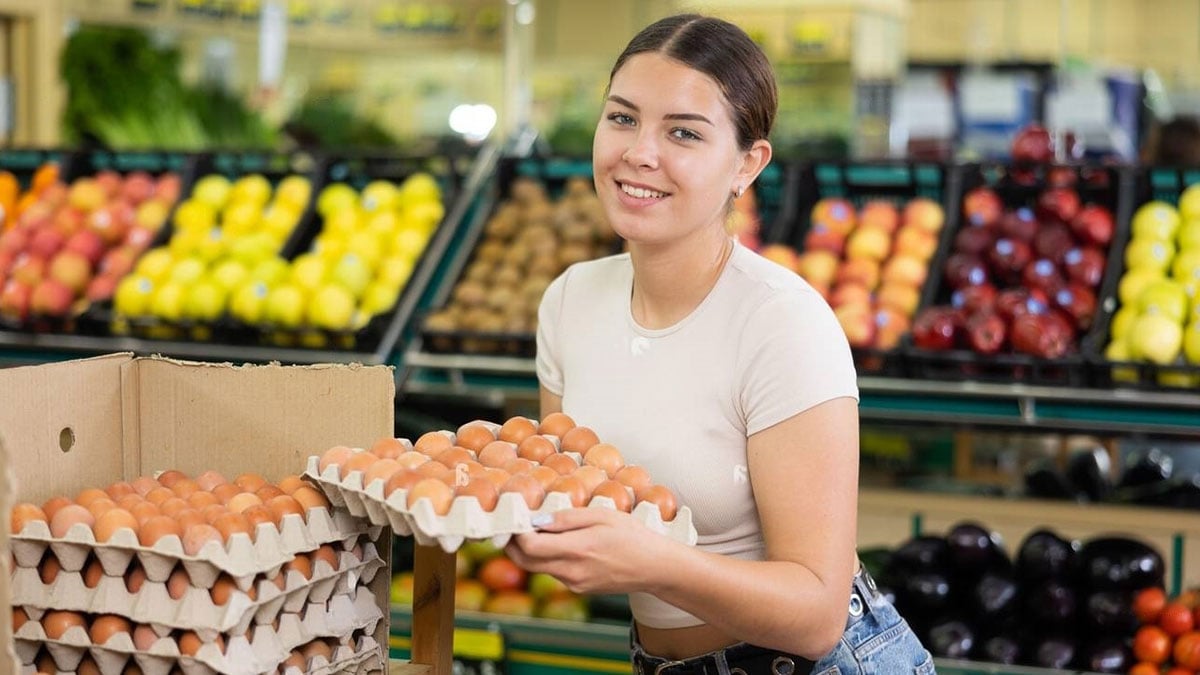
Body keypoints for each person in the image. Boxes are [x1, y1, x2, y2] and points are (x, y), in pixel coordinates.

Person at [508, 13, 934, 675]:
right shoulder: (570, 301)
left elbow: (818, 613)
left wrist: (652, 560)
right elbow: (574, 493)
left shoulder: (782, 323)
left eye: (683, 132)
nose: (639, 152)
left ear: (747, 164)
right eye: (622, 118)